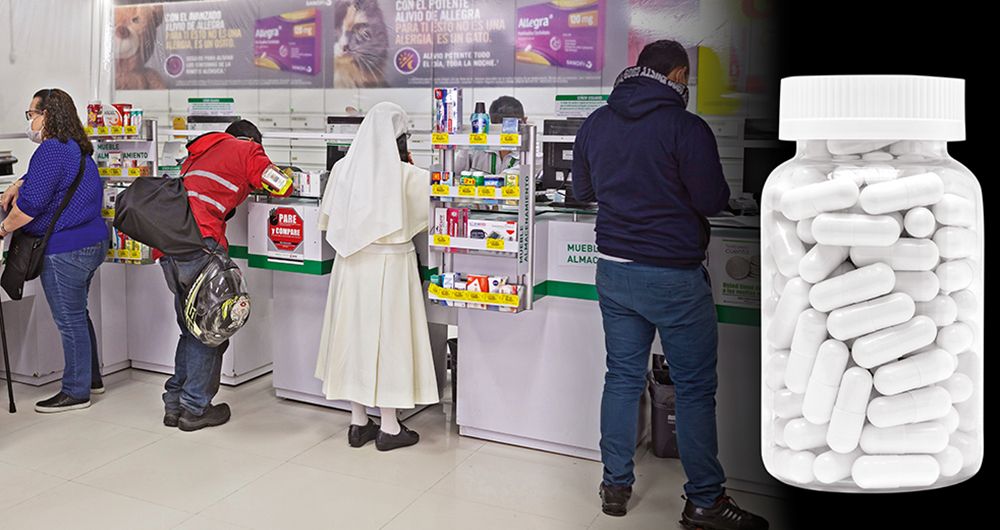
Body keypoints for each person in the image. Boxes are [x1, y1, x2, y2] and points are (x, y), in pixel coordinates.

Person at [572, 40, 768, 530]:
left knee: (621, 377)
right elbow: (711, 198)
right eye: (688, 79)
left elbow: (583, 191)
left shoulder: (597, 121)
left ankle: (615, 486)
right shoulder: (685, 126)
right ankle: (704, 500)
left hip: (614, 270)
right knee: (695, 388)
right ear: (679, 74)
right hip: (674, 276)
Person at [315, 101, 438, 451]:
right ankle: (389, 427)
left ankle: (358, 423)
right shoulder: (410, 176)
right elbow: (425, 218)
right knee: (391, 341)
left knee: (353, 338)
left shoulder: (341, 169)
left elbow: (326, 221)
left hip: (350, 267)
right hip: (393, 266)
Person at [159, 119, 288, 431]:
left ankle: (174, 404)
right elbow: (282, 186)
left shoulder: (201, 151)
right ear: (252, 140)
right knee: (210, 332)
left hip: (169, 247)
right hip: (201, 246)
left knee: (191, 330)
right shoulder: (246, 150)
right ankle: (195, 408)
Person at [0, 88, 110, 412]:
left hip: (66, 249)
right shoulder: (75, 147)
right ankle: (92, 379)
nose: (30, 121)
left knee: (69, 320)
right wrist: (17, 183)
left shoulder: (50, 150)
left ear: (46, 115)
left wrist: (4, 227)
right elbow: (46, 181)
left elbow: (30, 208)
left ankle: (75, 392)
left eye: (31, 114)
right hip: (92, 243)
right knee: (79, 314)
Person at [454, 95, 527, 174]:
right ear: (492, 127)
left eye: (513, 130)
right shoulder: (476, 146)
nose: (508, 137)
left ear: (525, 122)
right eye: (502, 131)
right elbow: (453, 173)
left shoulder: (531, 151)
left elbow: (527, 170)